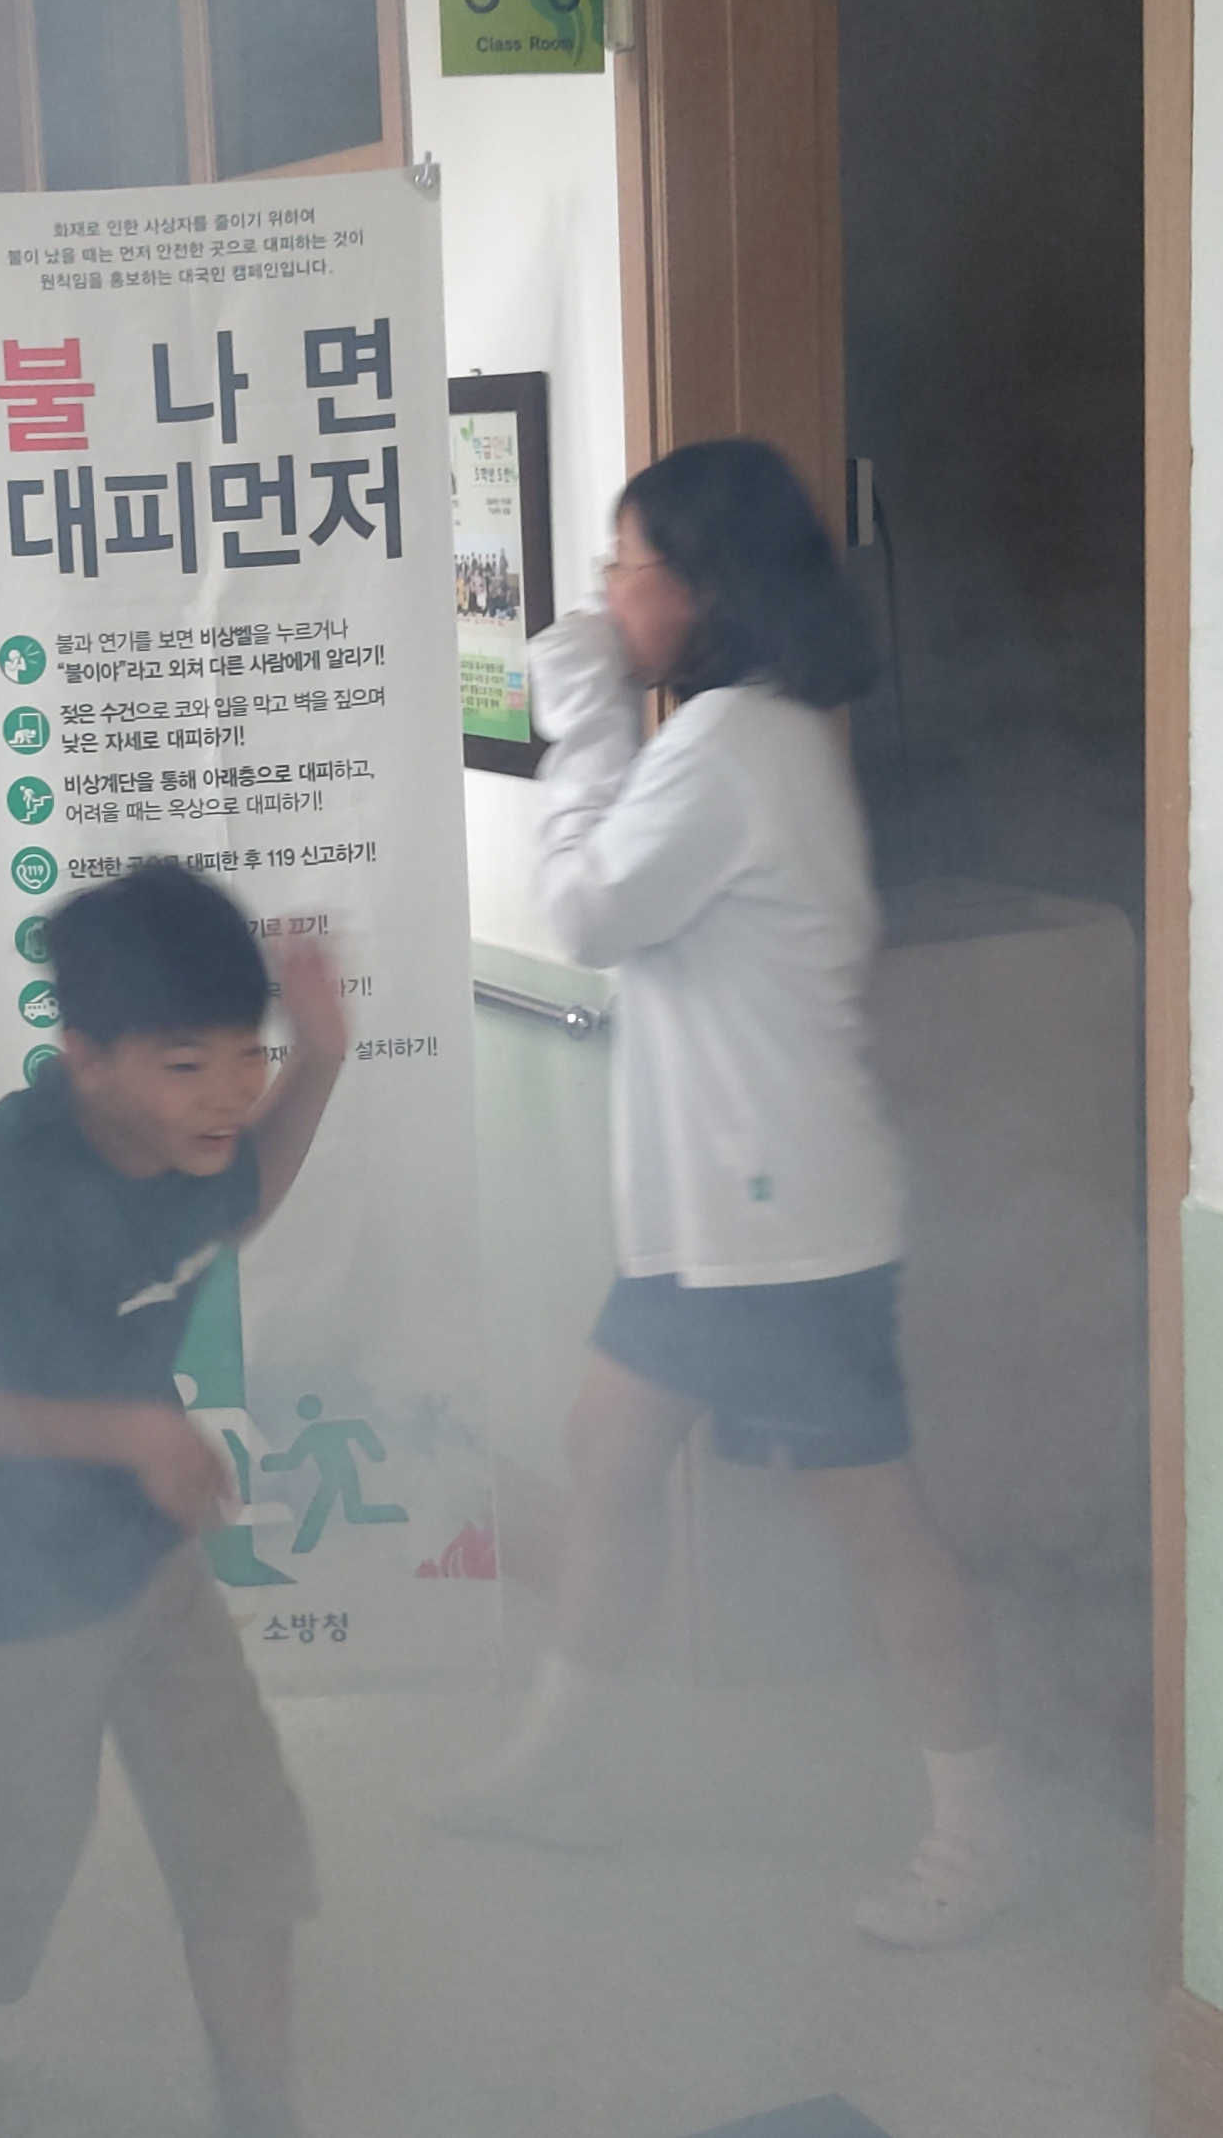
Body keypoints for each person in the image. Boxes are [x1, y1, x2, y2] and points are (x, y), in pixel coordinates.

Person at [413, 439, 1036, 1950]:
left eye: (624, 564)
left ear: (700, 586)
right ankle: (556, 1767)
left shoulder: (732, 746)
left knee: (880, 1527)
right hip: (720, 1224)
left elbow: (587, 908)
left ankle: (982, 1841)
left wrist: (578, 715)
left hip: (780, 1229)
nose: (605, 592)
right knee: (607, 1453)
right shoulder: (743, 736)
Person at [0, 862, 348, 2138]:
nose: (230, 1093)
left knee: (239, 1843)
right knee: (15, 1873)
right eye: (187, 1065)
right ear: (84, 1056)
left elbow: (238, 1201)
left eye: (246, 1056)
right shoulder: (2, 1188)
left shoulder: (194, 1142)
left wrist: (322, 1056)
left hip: (141, 1553)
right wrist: (132, 1431)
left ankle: (262, 2114)